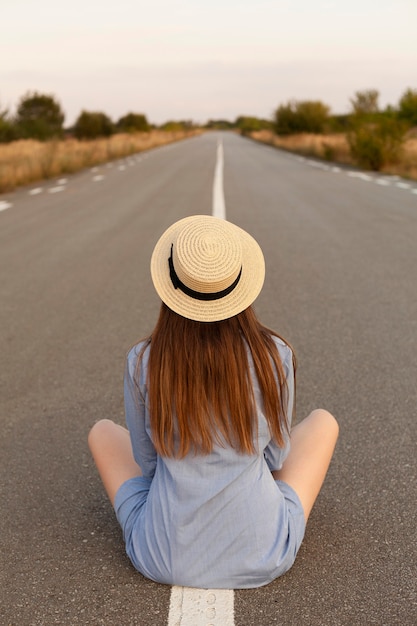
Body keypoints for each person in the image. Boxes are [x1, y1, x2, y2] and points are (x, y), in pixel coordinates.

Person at [88, 214, 339, 589]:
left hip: (163, 556)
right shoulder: (275, 355)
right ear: (241, 285)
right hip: (264, 552)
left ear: (169, 287)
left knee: (102, 431)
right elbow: (275, 458)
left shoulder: (143, 360)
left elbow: (148, 463)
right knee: (323, 421)